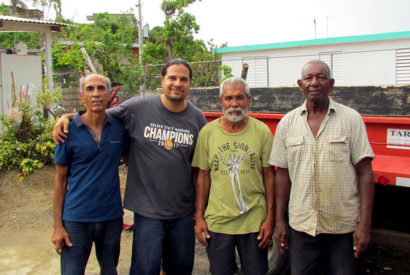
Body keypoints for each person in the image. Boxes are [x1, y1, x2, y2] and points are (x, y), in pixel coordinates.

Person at [53, 59, 207, 275]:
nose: (177, 83)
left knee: (180, 268)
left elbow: (200, 170)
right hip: (147, 210)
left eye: (183, 79)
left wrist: (198, 213)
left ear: (190, 84)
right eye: (172, 78)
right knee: (145, 269)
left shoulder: (197, 118)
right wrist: (67, 117)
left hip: (182, 212)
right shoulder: (138, 107)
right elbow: (97, 114)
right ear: (162, 81)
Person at [269, 60, 375, 275]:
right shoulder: (287, 123)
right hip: (302, 226)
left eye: (321, 77)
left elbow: (365, 173)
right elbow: (282, 175)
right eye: (309, 78)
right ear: (300, 84)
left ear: (331, 84)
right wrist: (280, 222)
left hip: (342, 225)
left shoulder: (351, 120)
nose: (315, 82)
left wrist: (364, 224)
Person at [192, 77, 274, 275]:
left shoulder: (262, 131)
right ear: (221, 101)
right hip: (218, 223)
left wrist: (270, 218)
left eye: (240, 97)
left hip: (254, 221)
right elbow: (203, 177)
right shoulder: (207, 133)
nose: (234, 103)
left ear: (249, 100)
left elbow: (269, 176)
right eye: (228, 98)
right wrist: (199, 217)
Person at [52, 74, 129, 274]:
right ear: (81, 96)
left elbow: (132, 161)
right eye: (90, 89)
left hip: (110, 217)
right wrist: (58, 226)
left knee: (110, 270)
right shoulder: (66, 132)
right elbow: (60, 181)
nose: (96, 94)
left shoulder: (119, 129)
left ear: (109, 95)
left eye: (101, 89)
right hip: (76, 218)